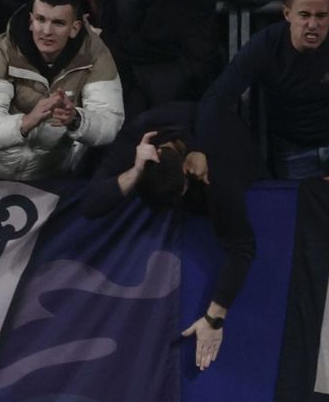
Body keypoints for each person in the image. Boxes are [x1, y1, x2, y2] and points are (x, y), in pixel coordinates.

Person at [81, 105, 258, 372]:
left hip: (241, 150)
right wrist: (136, 169)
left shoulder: (217, 171)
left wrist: (214, 319)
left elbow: (242, 247)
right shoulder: (140, 136)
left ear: (188, 172)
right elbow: (91, 205)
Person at [199, 0, 329, 197]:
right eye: (304, 15)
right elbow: (217, 98)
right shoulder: (265, 45)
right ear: (287, 14)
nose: (312, 24)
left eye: (321, 16)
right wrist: (200, 149)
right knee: (298, 225)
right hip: (292, 153)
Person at [0, 0, 125, 181]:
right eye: (40, 19)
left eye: (58, 23)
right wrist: (27, 121)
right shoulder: (2, 50)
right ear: (31, 21)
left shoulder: (96, 55)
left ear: (75, 28)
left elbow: (110, 123)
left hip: (53, 176)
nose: (46, 31)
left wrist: (76, 119)